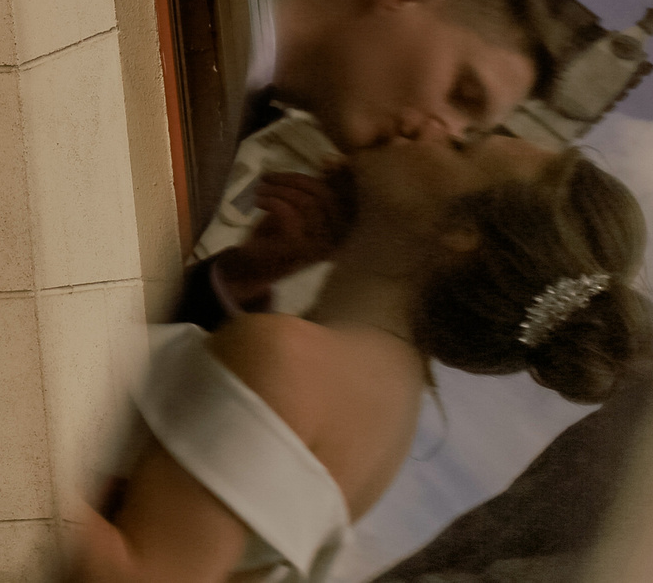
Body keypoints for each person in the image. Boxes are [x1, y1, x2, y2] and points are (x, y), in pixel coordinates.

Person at [74, 127, 650, 583]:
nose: (429, 124)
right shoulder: (385, 424)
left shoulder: (288, 359)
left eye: (460, 144)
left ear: (461, 231)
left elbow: (142, 574)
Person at [182, 0, 548, 324]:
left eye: (463, 137)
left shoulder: (232, 128)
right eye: (463, 93)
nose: (438, 135)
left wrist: (245, 275)